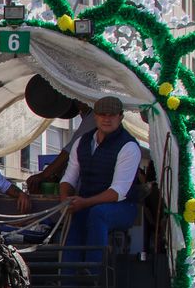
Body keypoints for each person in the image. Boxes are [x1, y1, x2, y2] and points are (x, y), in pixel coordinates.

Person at [59, 96, 142, 263]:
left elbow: (118, 192)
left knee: (98, 214)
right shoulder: (81, 142)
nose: (107, 119)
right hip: (87, 203)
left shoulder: (129, 146)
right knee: (75, 219)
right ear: (95, 116)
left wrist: (84, 202)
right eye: (102, 114)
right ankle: (67, 280)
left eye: (112, 115)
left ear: (120, 117)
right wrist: (65, 201)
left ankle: (95, 276)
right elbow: (69, 178)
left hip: (123, 206)